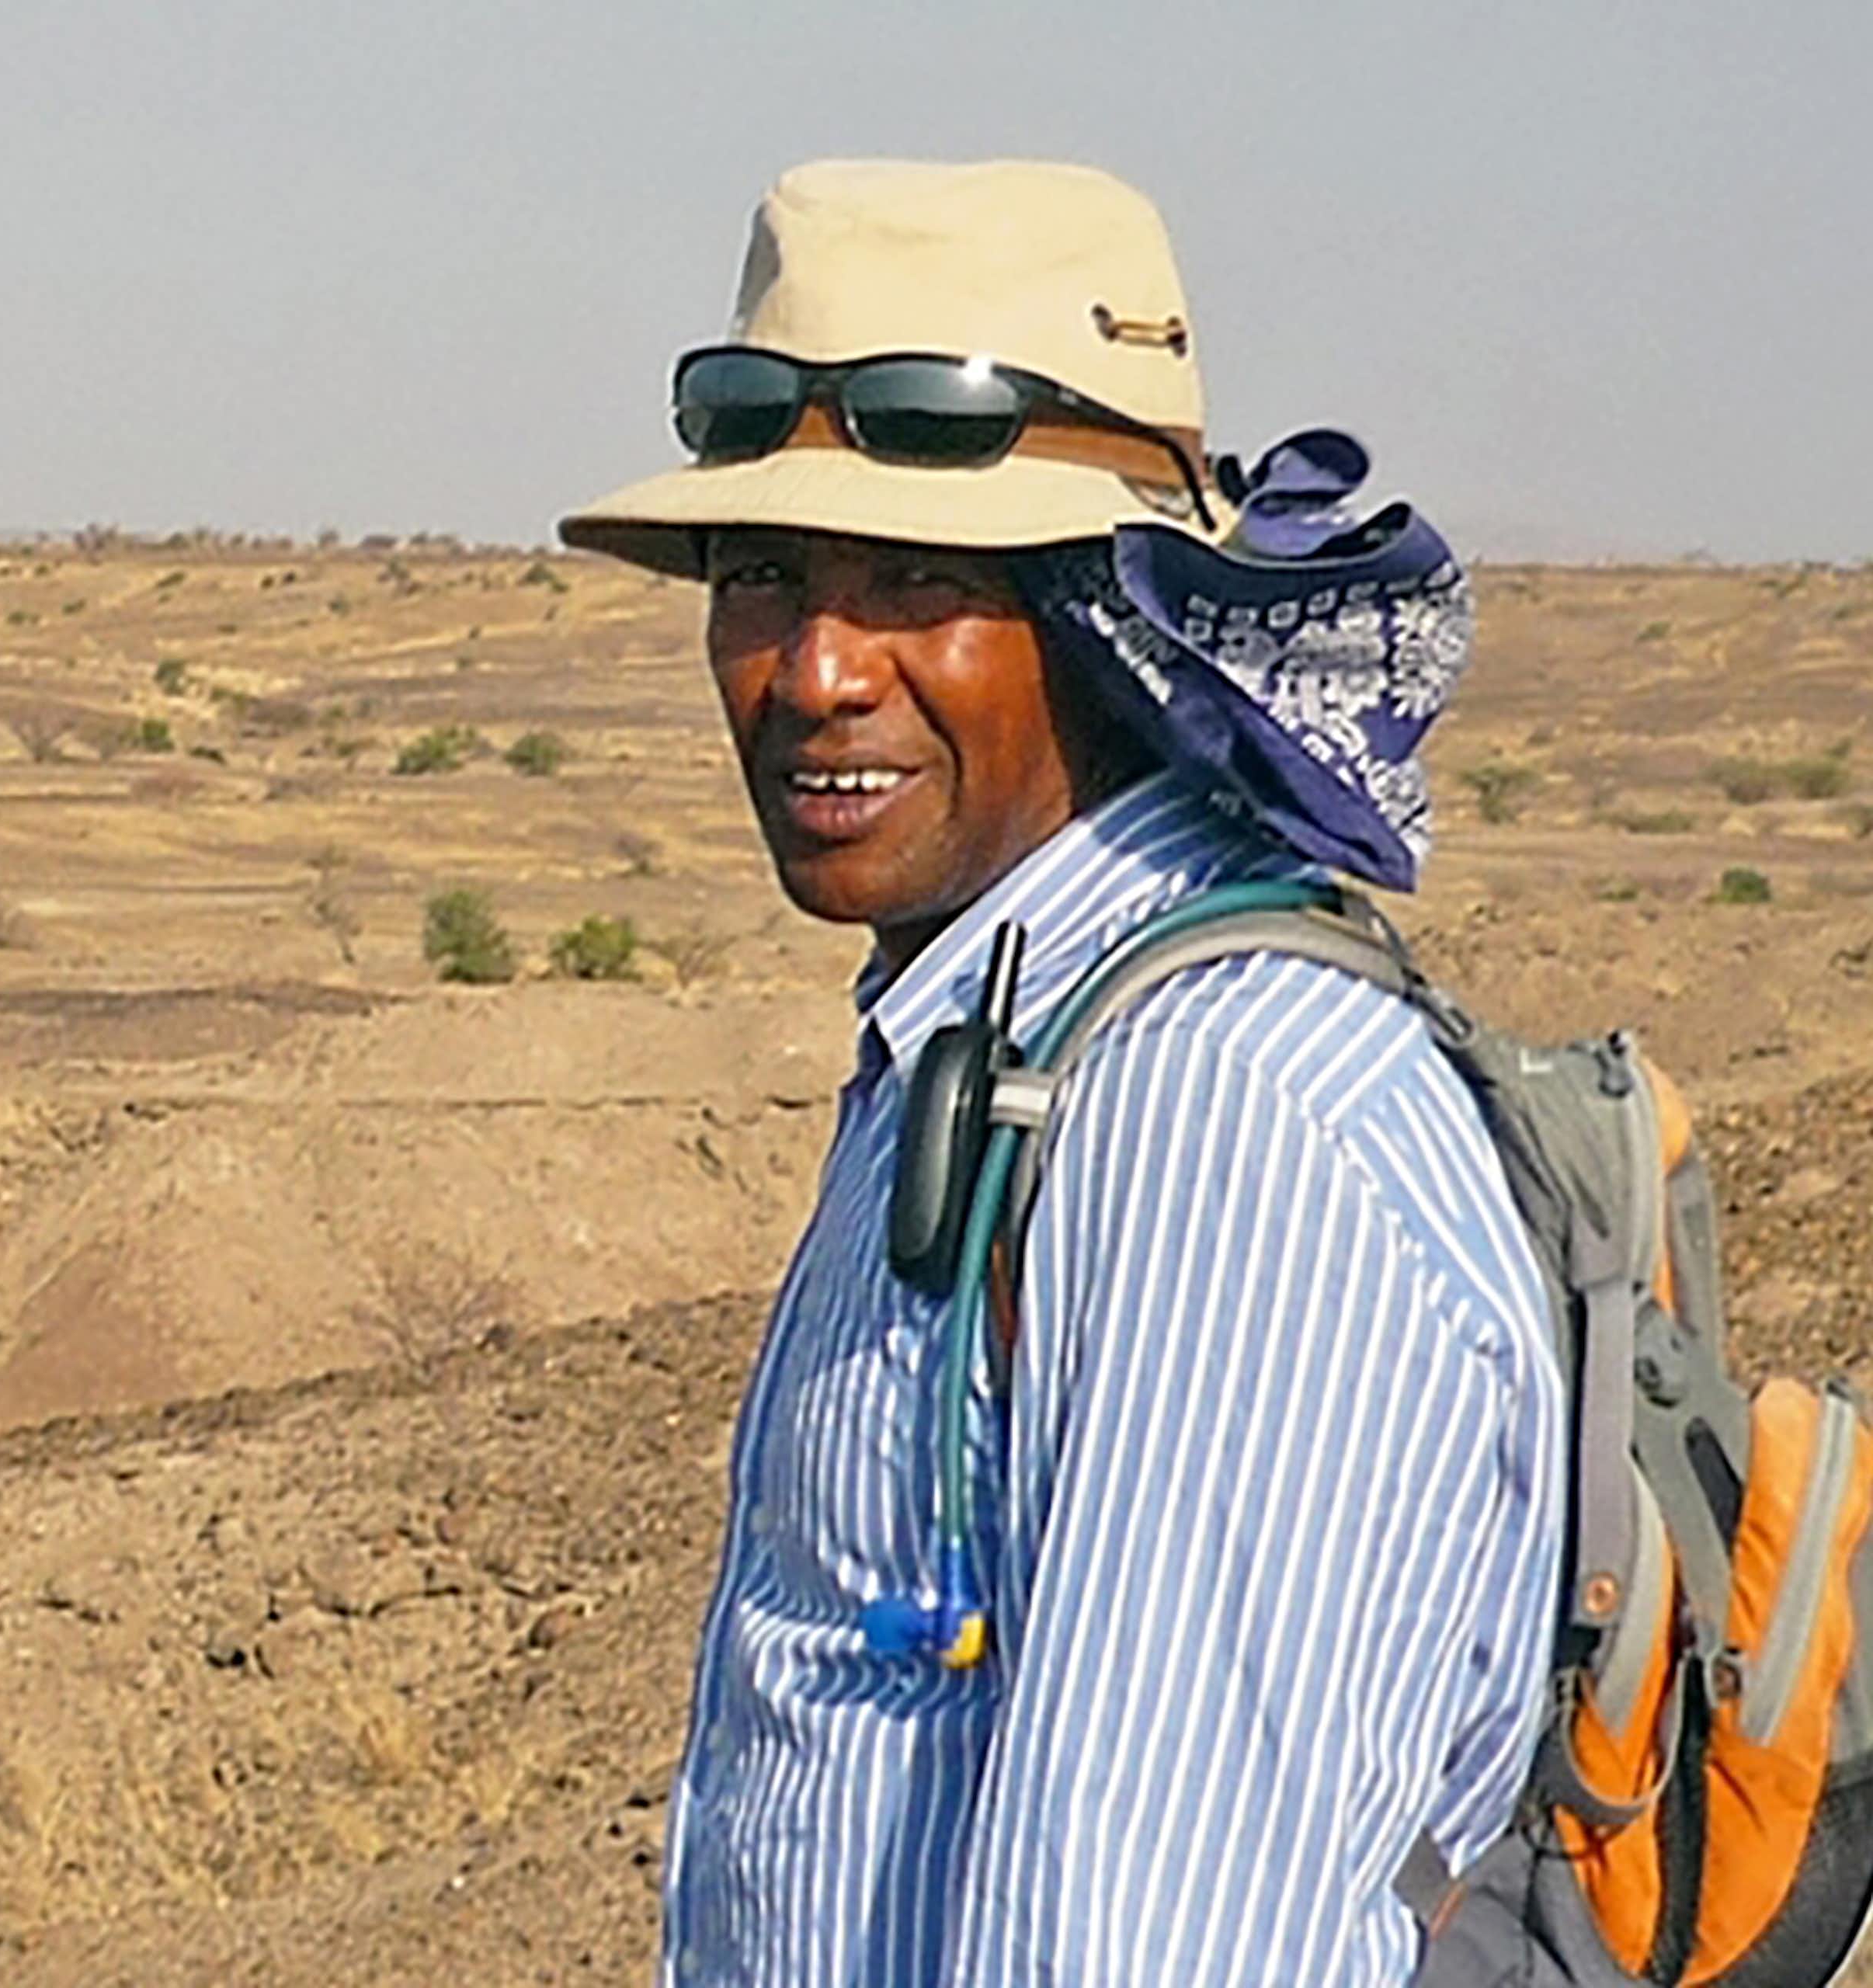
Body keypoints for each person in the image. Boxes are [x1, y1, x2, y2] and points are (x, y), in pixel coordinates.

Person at [562, 158, 1563, 1988]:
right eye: (763, 572)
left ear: (1109, 621)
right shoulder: (1006, 1034)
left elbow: (1149, 1930)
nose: (813, 670)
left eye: (922, 584)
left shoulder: (1213, 1114)